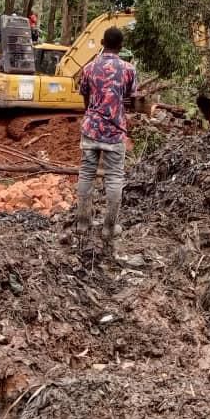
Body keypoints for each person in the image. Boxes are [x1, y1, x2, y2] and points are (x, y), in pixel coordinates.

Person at [74, 26, 137, 251]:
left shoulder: (89, 67)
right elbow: (129, 97)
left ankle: (82, 223)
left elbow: (84, 94)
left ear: (101, 42)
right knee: (114, 178)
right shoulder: (129, 70)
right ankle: (109, 228)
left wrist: (90, 114)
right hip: (115, 131)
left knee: (87, 173)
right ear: (121, 46)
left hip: (91, 128)